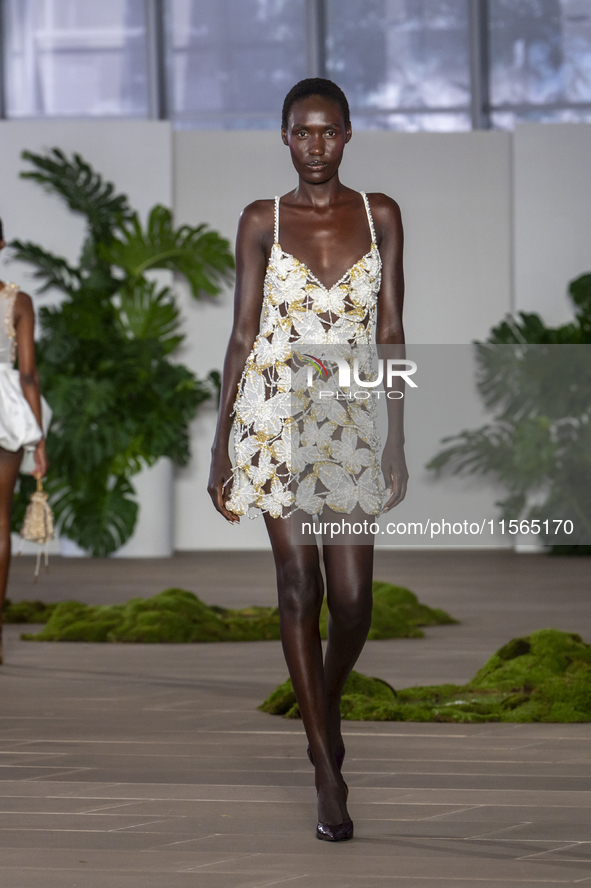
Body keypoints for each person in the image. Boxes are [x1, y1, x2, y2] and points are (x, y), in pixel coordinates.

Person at [208, 78, 407, 842]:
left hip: (352, 414)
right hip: (270, 416)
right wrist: (221, 441)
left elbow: (390, 327)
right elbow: (240, 334)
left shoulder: (377, 213)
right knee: (300, 584)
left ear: (349, 135)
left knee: (353, 601)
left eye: (328, 132)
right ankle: (325, 765)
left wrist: (394, 434)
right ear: (284, 138)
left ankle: (320, 700)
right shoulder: (261, 220)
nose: (314, 145)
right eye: (301, 132)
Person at [0, 219, 49, 663]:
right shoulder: (18, 302)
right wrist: (39, 440)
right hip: (6, 412)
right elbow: (28, 374)